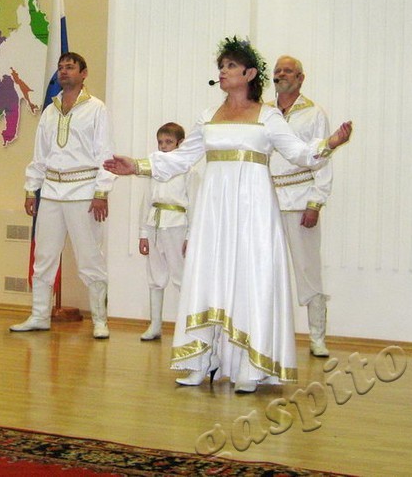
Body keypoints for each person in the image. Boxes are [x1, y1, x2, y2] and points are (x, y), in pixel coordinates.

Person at [104, 36, 351, 393]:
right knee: (208, 275)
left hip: (254, 211)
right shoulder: (208, 116)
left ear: (249, 74)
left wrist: (330, 144)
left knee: (251, 277)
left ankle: (251, 364)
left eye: (231, 66)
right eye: (221, 66)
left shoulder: (267, 116)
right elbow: (181, 158)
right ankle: (200, 358)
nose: (223, 71)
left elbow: (299, 153)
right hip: (214, 211)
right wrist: (138, 166)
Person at [11, 52, 116, 339]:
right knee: (44, 256)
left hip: (84, 191)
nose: (64, 71)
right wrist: (31, 189)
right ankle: (39, 316)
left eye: (70, 67)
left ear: (84, 73)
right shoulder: (49, 111)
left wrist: (101, 192)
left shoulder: (96, 108)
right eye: (61, 68)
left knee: (90, 257)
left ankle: (100, 320)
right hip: (51, 192)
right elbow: (40, 154)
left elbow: (105, 153)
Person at [268, 56, 333, 357]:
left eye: (288, 71)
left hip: (300, 199)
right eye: (278, 71)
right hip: (267, 202)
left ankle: (317, 337)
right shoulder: (264, 113)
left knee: (307, 269)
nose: (281, 74)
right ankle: (269, 337)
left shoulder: (314, 113)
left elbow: (323, 158)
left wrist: (315, 203)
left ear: (300, 78)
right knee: (267, 270)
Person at [136, 122, 200, 341]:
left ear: (180, 143)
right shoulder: (154, 171)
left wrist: (190, 235)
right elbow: (146, 202)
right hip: (155, 223)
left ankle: (186, 328)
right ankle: (155, 324)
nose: (163, 146)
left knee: (181, 276)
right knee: (155, 275)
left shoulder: (189, 171)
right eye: (160, 142)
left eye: (168, 142)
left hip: (177, 225)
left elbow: (195, 204)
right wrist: (143, 233)